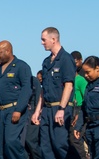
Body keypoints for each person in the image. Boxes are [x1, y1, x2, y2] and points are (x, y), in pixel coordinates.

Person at [0, 40, 32, 159]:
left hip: (14, 109)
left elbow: (26, 90)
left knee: (11, 141)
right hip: (1, 111)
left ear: (8, 51)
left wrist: (18, 110)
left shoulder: (21, 66)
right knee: (1, 147)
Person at [31, 27, 76, 159]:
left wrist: (61, 109)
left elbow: (68, 86)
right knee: (46, 147)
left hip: (59, 107)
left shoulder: (66, 59)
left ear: (54, 39)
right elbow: (43, 89)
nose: (42, 43)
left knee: (60, 144)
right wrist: (37, 110)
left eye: (44, 40)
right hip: (46, 109)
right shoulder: (46, 62)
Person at [69, 51, 88, 159]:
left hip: (78, 108)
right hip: (70, 108)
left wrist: (79, 113)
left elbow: (86, 96)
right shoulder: (70, 80)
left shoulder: (81, 80)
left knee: (75, 138)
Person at [25, 73, 42, 159]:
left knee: (31, 140)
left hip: (32, 112)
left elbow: (39, 96)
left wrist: (37, 113)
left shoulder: (33, 81)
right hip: (22, 114)